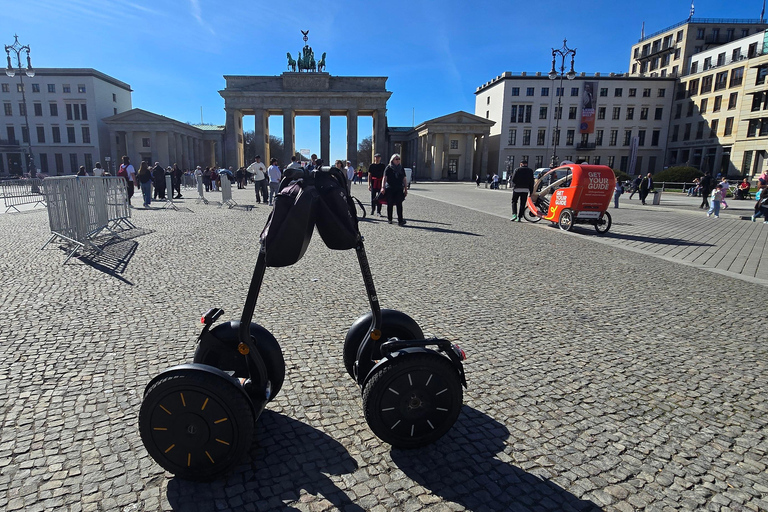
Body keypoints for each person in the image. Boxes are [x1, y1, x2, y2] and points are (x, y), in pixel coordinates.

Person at [381, 154, 407, 225]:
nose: (398, 160)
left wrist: (405, 188)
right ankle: (389, 219)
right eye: (396, 159)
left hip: (399, 188)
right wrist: (383, 187)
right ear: (392, 160)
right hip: (390, 188)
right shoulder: (388, 168)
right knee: (390, 203)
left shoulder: (401, 168)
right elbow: (384, 178)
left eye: (399, 159)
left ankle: (400, 220)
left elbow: (404, 179)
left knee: (399, 204)